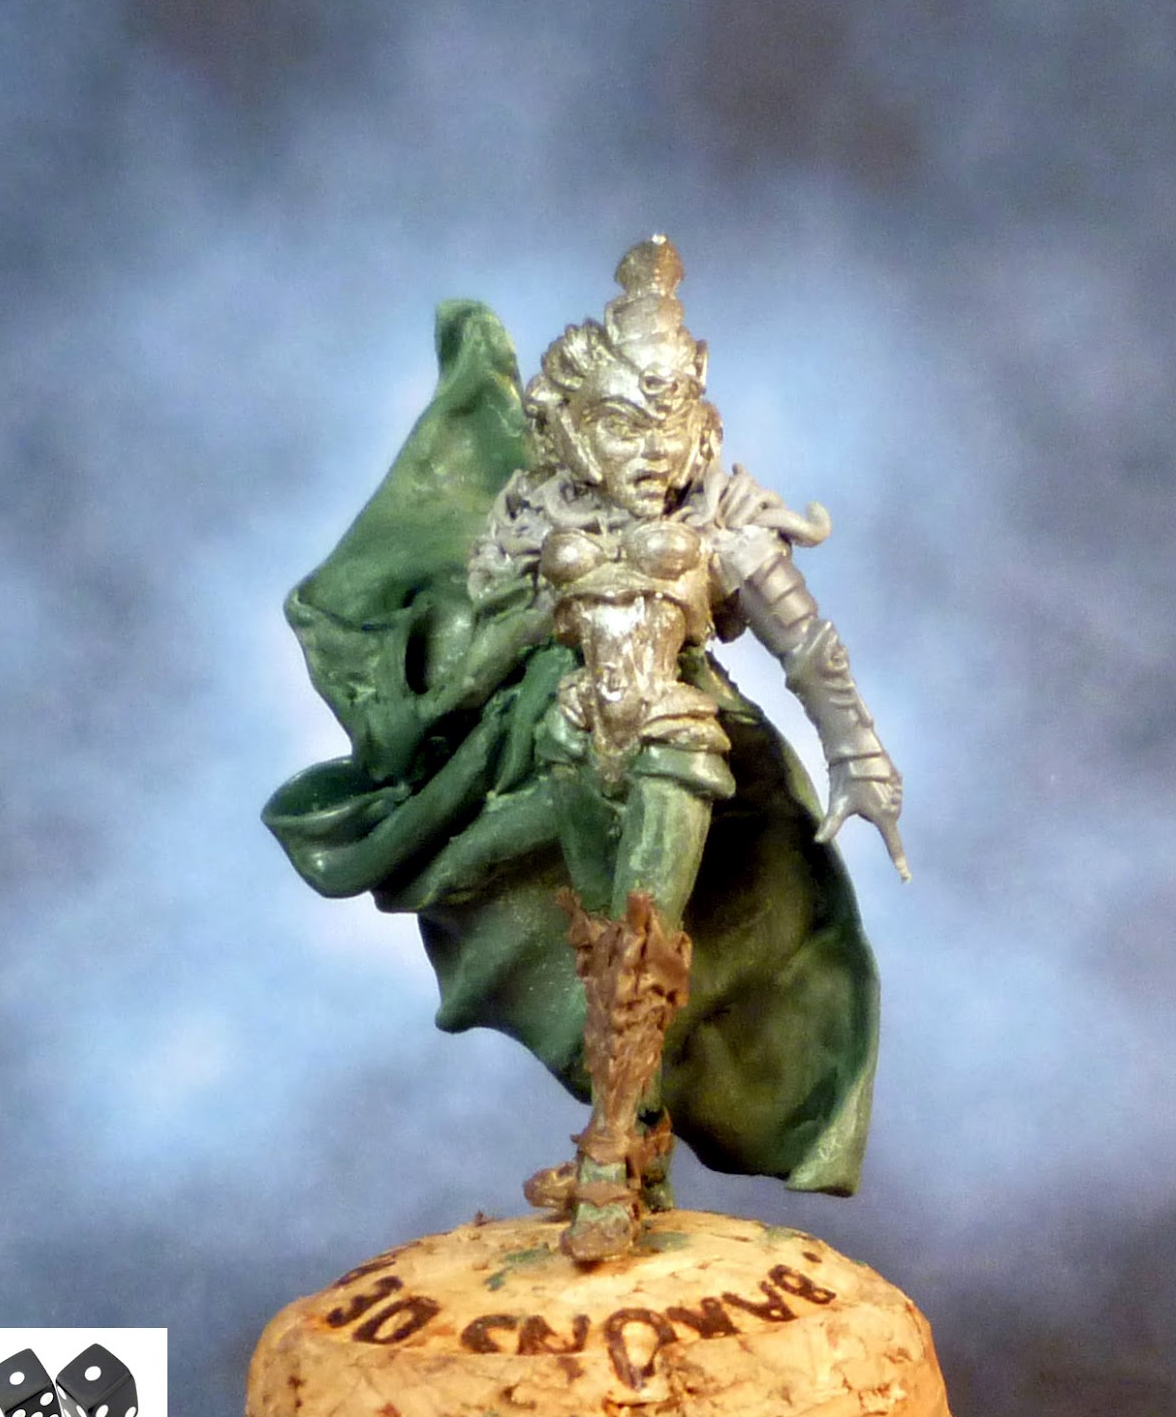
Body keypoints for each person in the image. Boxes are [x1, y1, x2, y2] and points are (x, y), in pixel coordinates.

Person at [264, 237, 905, 1260]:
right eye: (622, 424)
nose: (649, 448)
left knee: (643, 945)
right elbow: (470, 657)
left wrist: (859, 756)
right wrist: (526, 619)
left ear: (696, 427)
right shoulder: (535, 515)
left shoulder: (721, 523)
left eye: (669, 422)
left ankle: (607, 1159)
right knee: (599, 943)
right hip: (565, 741)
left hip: (674, 748)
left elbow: (809, 649)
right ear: (571, 425)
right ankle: (636, 1137)